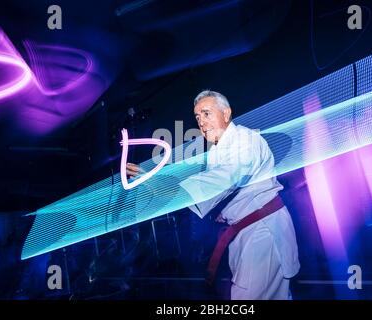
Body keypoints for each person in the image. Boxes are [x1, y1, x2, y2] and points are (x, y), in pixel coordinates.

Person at [127, 90, 300, 299]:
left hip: (262, 234)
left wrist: (165, 186)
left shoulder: (245, 140)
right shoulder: (219, 149)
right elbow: (229, 193)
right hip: (249, 233)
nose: (201, 122)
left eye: (206, 113)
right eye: (198, 117)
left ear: (226, 114)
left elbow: (225, 178)